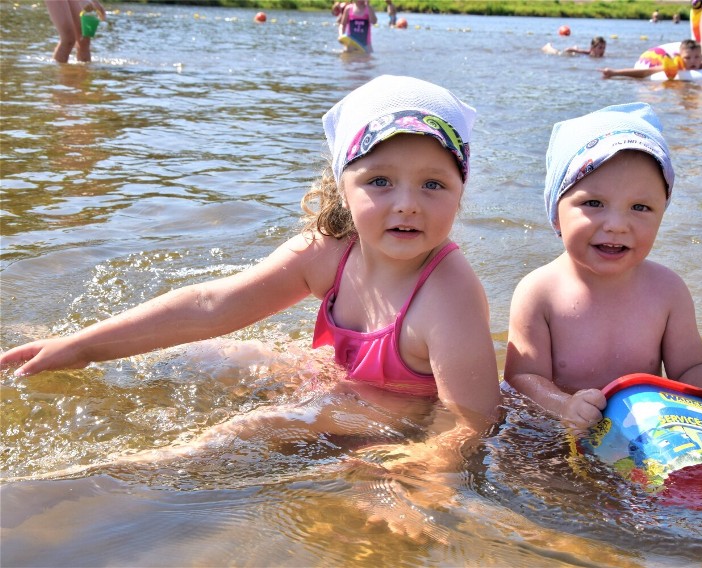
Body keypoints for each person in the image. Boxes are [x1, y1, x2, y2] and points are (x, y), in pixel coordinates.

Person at [0, 75, 501, 486]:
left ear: (461, 193)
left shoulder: (447, 294)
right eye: (379, 181)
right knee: (212, 355)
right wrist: (83, 346)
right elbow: (212, 305)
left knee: (249, 428)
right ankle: (58, 352)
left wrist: (424, 475)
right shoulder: (330, 251)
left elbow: (471, 419)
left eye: (433, 184)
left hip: (397, 414)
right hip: (337, 379)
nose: (407, 203)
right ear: (342, 189)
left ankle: (107, 480)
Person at [504, 102, 702, 436]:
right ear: (556, 212)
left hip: (646, 432)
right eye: (593, 203)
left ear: (662, 214)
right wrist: (562, 407)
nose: (617, 225)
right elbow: (521, 380)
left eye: (640, 207)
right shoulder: (539, 292)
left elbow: (692, 364)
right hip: (561, 433)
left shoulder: (667, 290)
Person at [600, 39, 702, 83]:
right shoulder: (674, 68)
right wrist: (614, 73)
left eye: (697, 57)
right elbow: (645, 72)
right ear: (679, 57)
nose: (693, 61)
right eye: (688, 58)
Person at [542, 36, 607, 58]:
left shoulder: (602, 57)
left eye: (604, 48)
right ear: (592, 48)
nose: (602, 50)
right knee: (556, 52)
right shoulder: (588, 52)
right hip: (570, 53)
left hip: (578, 55)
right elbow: (568, 49)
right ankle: (548, 46)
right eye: (600, 48)